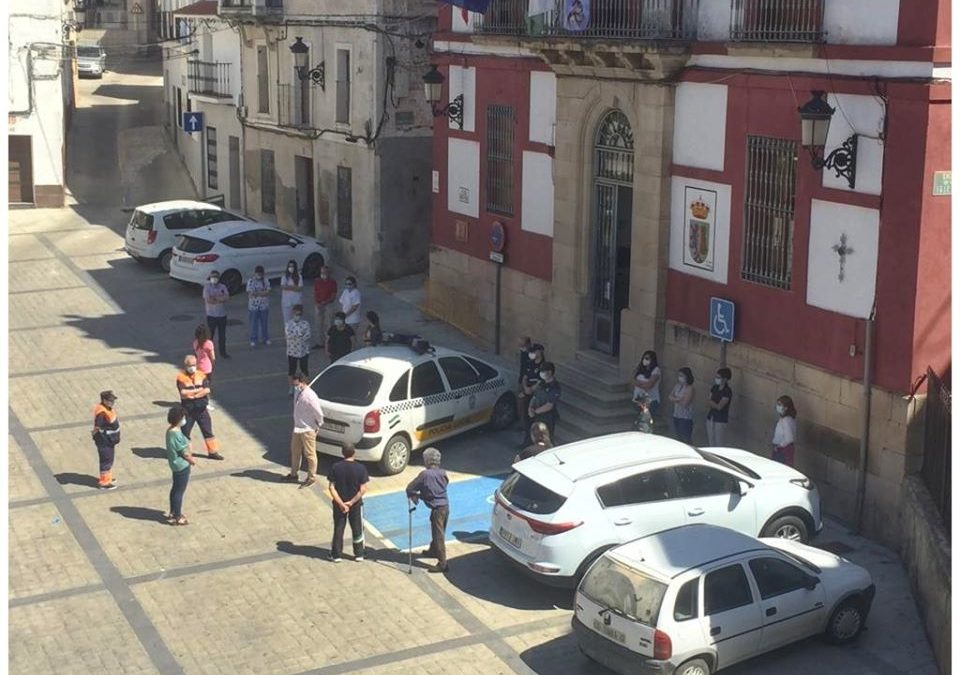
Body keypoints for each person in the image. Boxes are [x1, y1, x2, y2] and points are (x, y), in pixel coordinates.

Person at [407, 447, 450, 574]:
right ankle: (433, 550)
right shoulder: (443, 473)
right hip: (445, 506)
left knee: (438, 535)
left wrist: (415, 496)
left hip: (437, 508)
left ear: (427, 460)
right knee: (438, 531)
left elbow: (410, 487)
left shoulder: (425, 474)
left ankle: (443, 564)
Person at [327, 443, 369, 562]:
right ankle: (359, 553)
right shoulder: (361, 468)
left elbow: (331, 487)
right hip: (355, 505)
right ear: (354, 452)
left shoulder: (335, 467)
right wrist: (351, 502)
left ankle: (336, 554)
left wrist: (341, 503)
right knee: (357, 528)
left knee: (339, 528)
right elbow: (363, 489)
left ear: (342, 453)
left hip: (338, 505)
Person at [176, 355, 223, 460]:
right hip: (188, 410)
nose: (192, 367)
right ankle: (185, 453)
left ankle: (213, 452)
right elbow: (183, 393)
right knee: (185, 432)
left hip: (201, 409)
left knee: (208, 431)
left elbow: (207, 390)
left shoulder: (201, 375)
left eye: (193, 365)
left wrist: (195, 395)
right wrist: (199, 390)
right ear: (185, 366)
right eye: (189, 365)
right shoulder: (181, 377)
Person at [286, 372, 324, 487]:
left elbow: (318, 413)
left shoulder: (310, 395)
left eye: (297, 384)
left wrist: (318, 425)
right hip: (298, 427)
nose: (295, 386)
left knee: (310, 454)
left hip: (307, 429)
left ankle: (311, 477)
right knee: (295, 451)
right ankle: (294, 473)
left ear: (303, 382)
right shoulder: (298, 391)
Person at [165, 405, 196, 526]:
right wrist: (191, 460)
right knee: (179, 491)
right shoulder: (176, 434)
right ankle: (177, 516)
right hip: (181, 466)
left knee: (175, 489)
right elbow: (183, 452)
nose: (185, 420)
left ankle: (173, 512)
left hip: (174, 465)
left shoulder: (170, 430)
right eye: (183, 417)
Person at [92, 390, 120, 490]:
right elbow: (97, 427)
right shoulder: (101, 413)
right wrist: (96, 436)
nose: (112, 402)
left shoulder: (107, 409)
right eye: (110, 401)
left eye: (113, 400)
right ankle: (104, 483)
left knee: (109, 459)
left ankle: (108, 478)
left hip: (110, 440)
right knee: (106, 460)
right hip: (104, 440)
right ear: (104, 400)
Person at [519, 343, 546, 442]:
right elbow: (525, 377)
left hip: (536, 395)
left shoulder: (544, 366)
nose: (533, 353)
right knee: (526, 417)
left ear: (540, 352)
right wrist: (525, 387)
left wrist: (532, 389)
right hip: (528, 392)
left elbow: (541, 381)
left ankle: (535, 440)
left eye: (535, 351)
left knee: (534, 418)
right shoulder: (530, 363)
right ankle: (527, 440)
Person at [528, 361, 561, 439]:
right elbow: (534, 396)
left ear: (549, 372)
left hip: (547, 417)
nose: (541, 373)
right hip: (537, 415)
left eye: (543, 371)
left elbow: (549, 405)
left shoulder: (555, 387)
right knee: (536, 436)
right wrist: (530, 408)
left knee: (547, 437)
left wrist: (535, 412)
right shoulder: (540, 383)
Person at [203, 270, 230, 359]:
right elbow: (208, 300)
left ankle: (223, 352)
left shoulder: (222, 287)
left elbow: (226, 297)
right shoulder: (207, 287)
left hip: (222, 315)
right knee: (210, 335)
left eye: (216, 277)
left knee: (222, 336)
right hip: (211, 315)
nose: (214, 279)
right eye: (212, 277)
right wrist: (219, 298)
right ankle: (208, 353)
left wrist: (215, 298)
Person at [285, 304, 311, 396]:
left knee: (304, 370)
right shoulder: (288, 324)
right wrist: (299, 336)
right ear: (293, 313)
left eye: (299, 314)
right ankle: (291, 387)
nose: (297, 316)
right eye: (296, 314)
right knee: (292, 370)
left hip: (303, 351)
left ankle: (305, 387)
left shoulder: (305, 324)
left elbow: (307, 335)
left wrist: (298, 336)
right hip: (292, 351)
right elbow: (289, 335)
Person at [706, 367, 733, 446]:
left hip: (721, 420)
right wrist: (713, 403)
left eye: (719, 377)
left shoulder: (727, 391)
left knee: (719, 442)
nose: (717, 379)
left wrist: (712, 403)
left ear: (725, 379)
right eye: (716, 377)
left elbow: (720, 406)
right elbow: (708, 401)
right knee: (711, 441)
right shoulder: (714, 388)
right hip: (711, 417)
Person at [312, 266, 337, 349]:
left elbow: (333, 296)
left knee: (329, 323)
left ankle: (329, 342)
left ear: (328, 273)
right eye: (322, 273)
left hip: (328, 304)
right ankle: (320, 342)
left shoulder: (332, 282)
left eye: (325, 273)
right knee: (318, 323)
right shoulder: (317, 281)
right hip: (319, 304)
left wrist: (324, 302)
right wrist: (317, 303)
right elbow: (315, 293)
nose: (323, 274)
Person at [246, 264, 271, 347]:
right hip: (253, 306)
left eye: (261, 274)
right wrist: (261, 293)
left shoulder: (265, 281)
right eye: (258, 273)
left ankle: (265, 338)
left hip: (264, 306)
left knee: (264, 323)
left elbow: (267, 292)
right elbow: (251, 293)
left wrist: (258, 293)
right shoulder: (251, 281)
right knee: (253, 324)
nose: (259, 275)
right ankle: (253, 339)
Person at [631, 350, 662, 419]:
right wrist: (643, 384)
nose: (645, 360)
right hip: (638, 399)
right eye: (644, 358)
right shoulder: (640, 368)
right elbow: (632, 380)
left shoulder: (656, 370)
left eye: (647, 358)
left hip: (650, 401)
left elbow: (649, 386)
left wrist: (638, 383)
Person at [669, 367, 696, 444]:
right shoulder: (677, 386)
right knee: (678, 438)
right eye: (679, 375)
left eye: (682, 376)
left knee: (686, 438)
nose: (679, 378)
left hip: (685, 417)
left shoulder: (690, 388)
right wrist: (678, 399)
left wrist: (675, 399)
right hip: (676, 415)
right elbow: (670, 396)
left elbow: (685, 403)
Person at [772, 395, 798, 466]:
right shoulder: (789, 419)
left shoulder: (786, 420)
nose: (777, 406)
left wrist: (779, 446)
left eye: (780, 405)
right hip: (783, 450)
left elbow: (789, 439)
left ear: (786, 408)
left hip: (782, 451)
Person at [515, 336, 533, 424]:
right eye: (520, 345)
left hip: (529, 382)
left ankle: (526, 422)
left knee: (525, 402)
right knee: (521, 402)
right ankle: (522, 422)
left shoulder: (532, 355)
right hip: (522, 379)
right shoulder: (523, 353)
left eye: (523, 345)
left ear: (528, 345)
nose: (521, 347)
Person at [280, 260, 304, 325]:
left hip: (296, 302)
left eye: (292, 266)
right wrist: (294, 287)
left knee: (297, 321)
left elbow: (300, 288)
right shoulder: (284, 277)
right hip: (287, 303)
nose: (291, 268)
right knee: (287, 322)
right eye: (290, 266)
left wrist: (288, 287)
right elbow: (283, 287)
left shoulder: (299, 276)